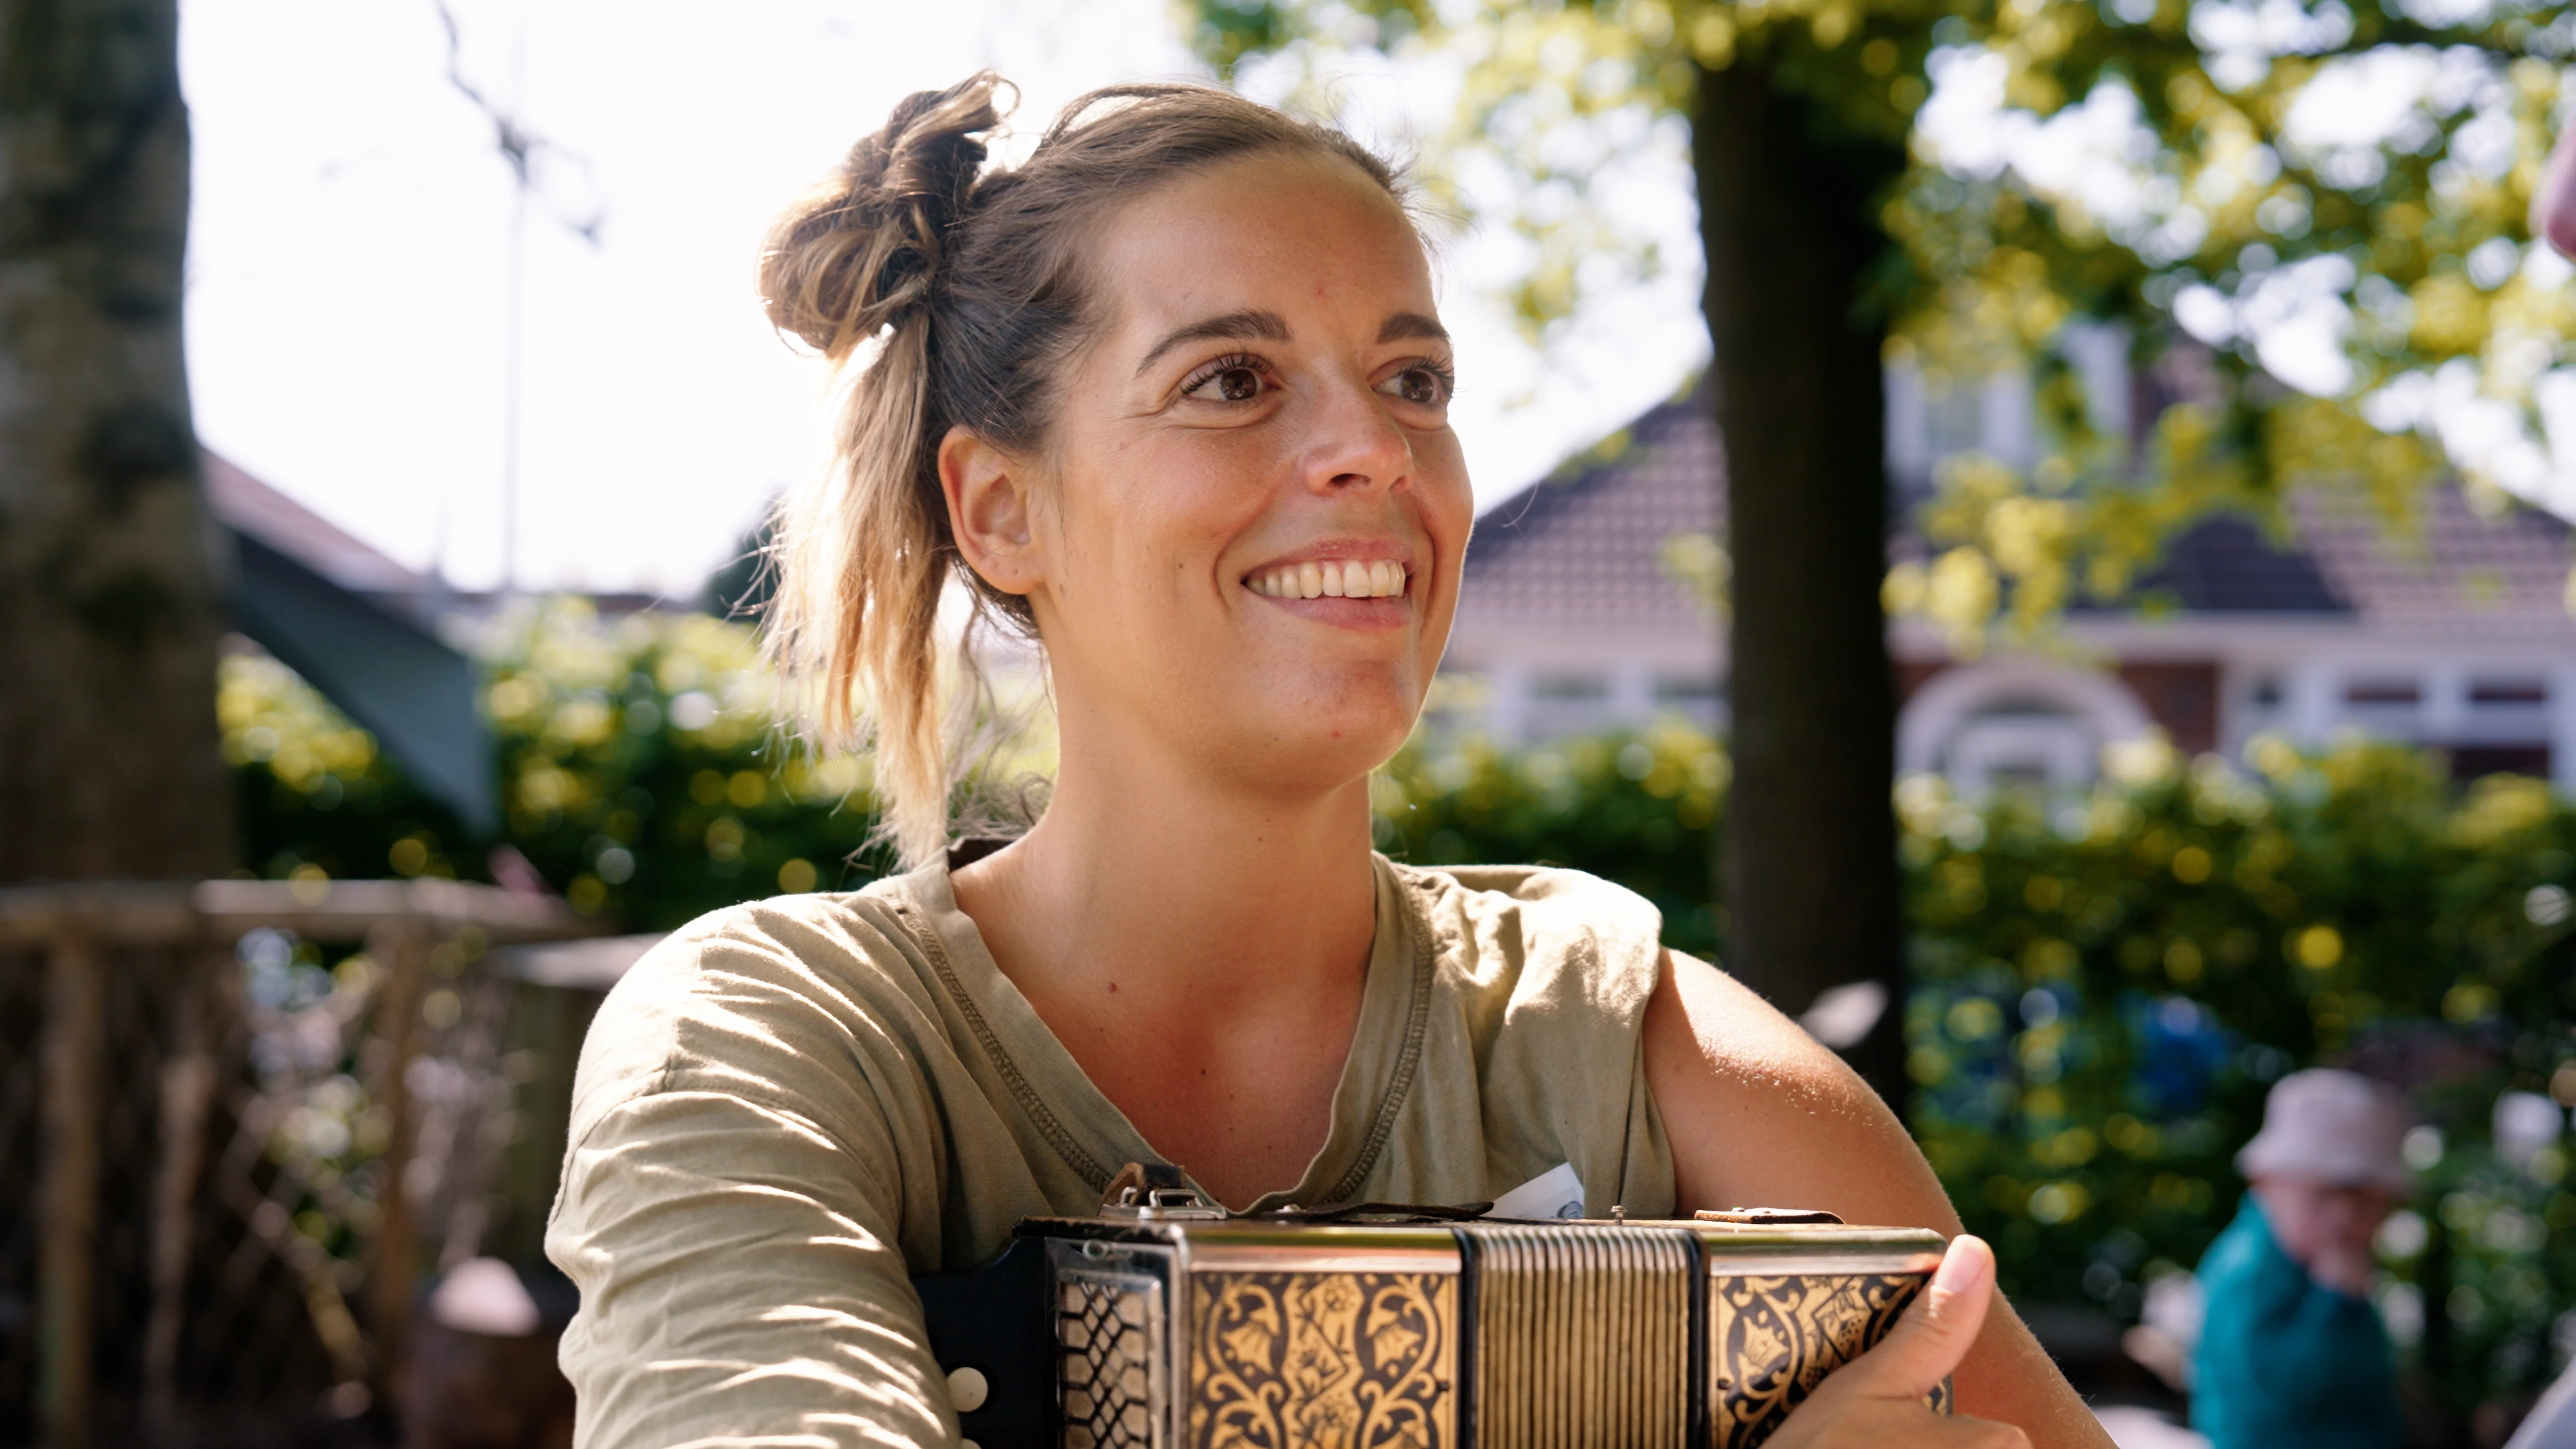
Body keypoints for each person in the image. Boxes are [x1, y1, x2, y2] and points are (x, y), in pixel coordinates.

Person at [542, 72, 2112, 1448]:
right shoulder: (766, 1043)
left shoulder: (1639, 1047)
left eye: (1411, 379)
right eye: (1230, 380)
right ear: (998, 508)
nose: (1374, 445)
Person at [2191, 1069, 2411, 1449]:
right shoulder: (2248, 1271)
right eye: (2321, 1196)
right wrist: (2335, 1301)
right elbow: (2288, 1391)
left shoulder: (2323, 1267)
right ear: (2264, 1183)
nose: (2344, 1220)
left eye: (2366, 1204)